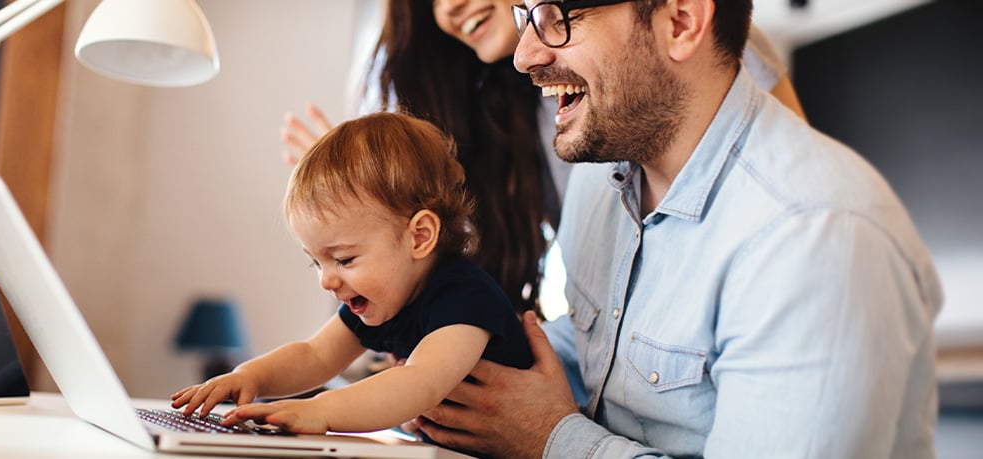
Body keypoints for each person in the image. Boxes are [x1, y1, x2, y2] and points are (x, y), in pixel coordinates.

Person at [405, 1, 945, 458]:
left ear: (681, 22)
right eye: (526, 13)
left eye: (557, 17)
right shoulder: (602, 181)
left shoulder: (815, 240)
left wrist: (552, 439)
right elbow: (605, 349)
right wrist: (460, 375)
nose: (525, 56)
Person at [282, 0, 805, 320]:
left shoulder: (682, 45)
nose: (449, 8)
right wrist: (369, 211)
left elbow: (794, 182)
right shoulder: (529, 110)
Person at [170, 112, 532, 434]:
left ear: (419, 237)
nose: (327, 281)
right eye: (316, 262)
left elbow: (419, 383)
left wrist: (320, 410)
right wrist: (249, 377)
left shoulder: (465, 298)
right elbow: (315, 355)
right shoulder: (385, 297)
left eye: (343, 260)